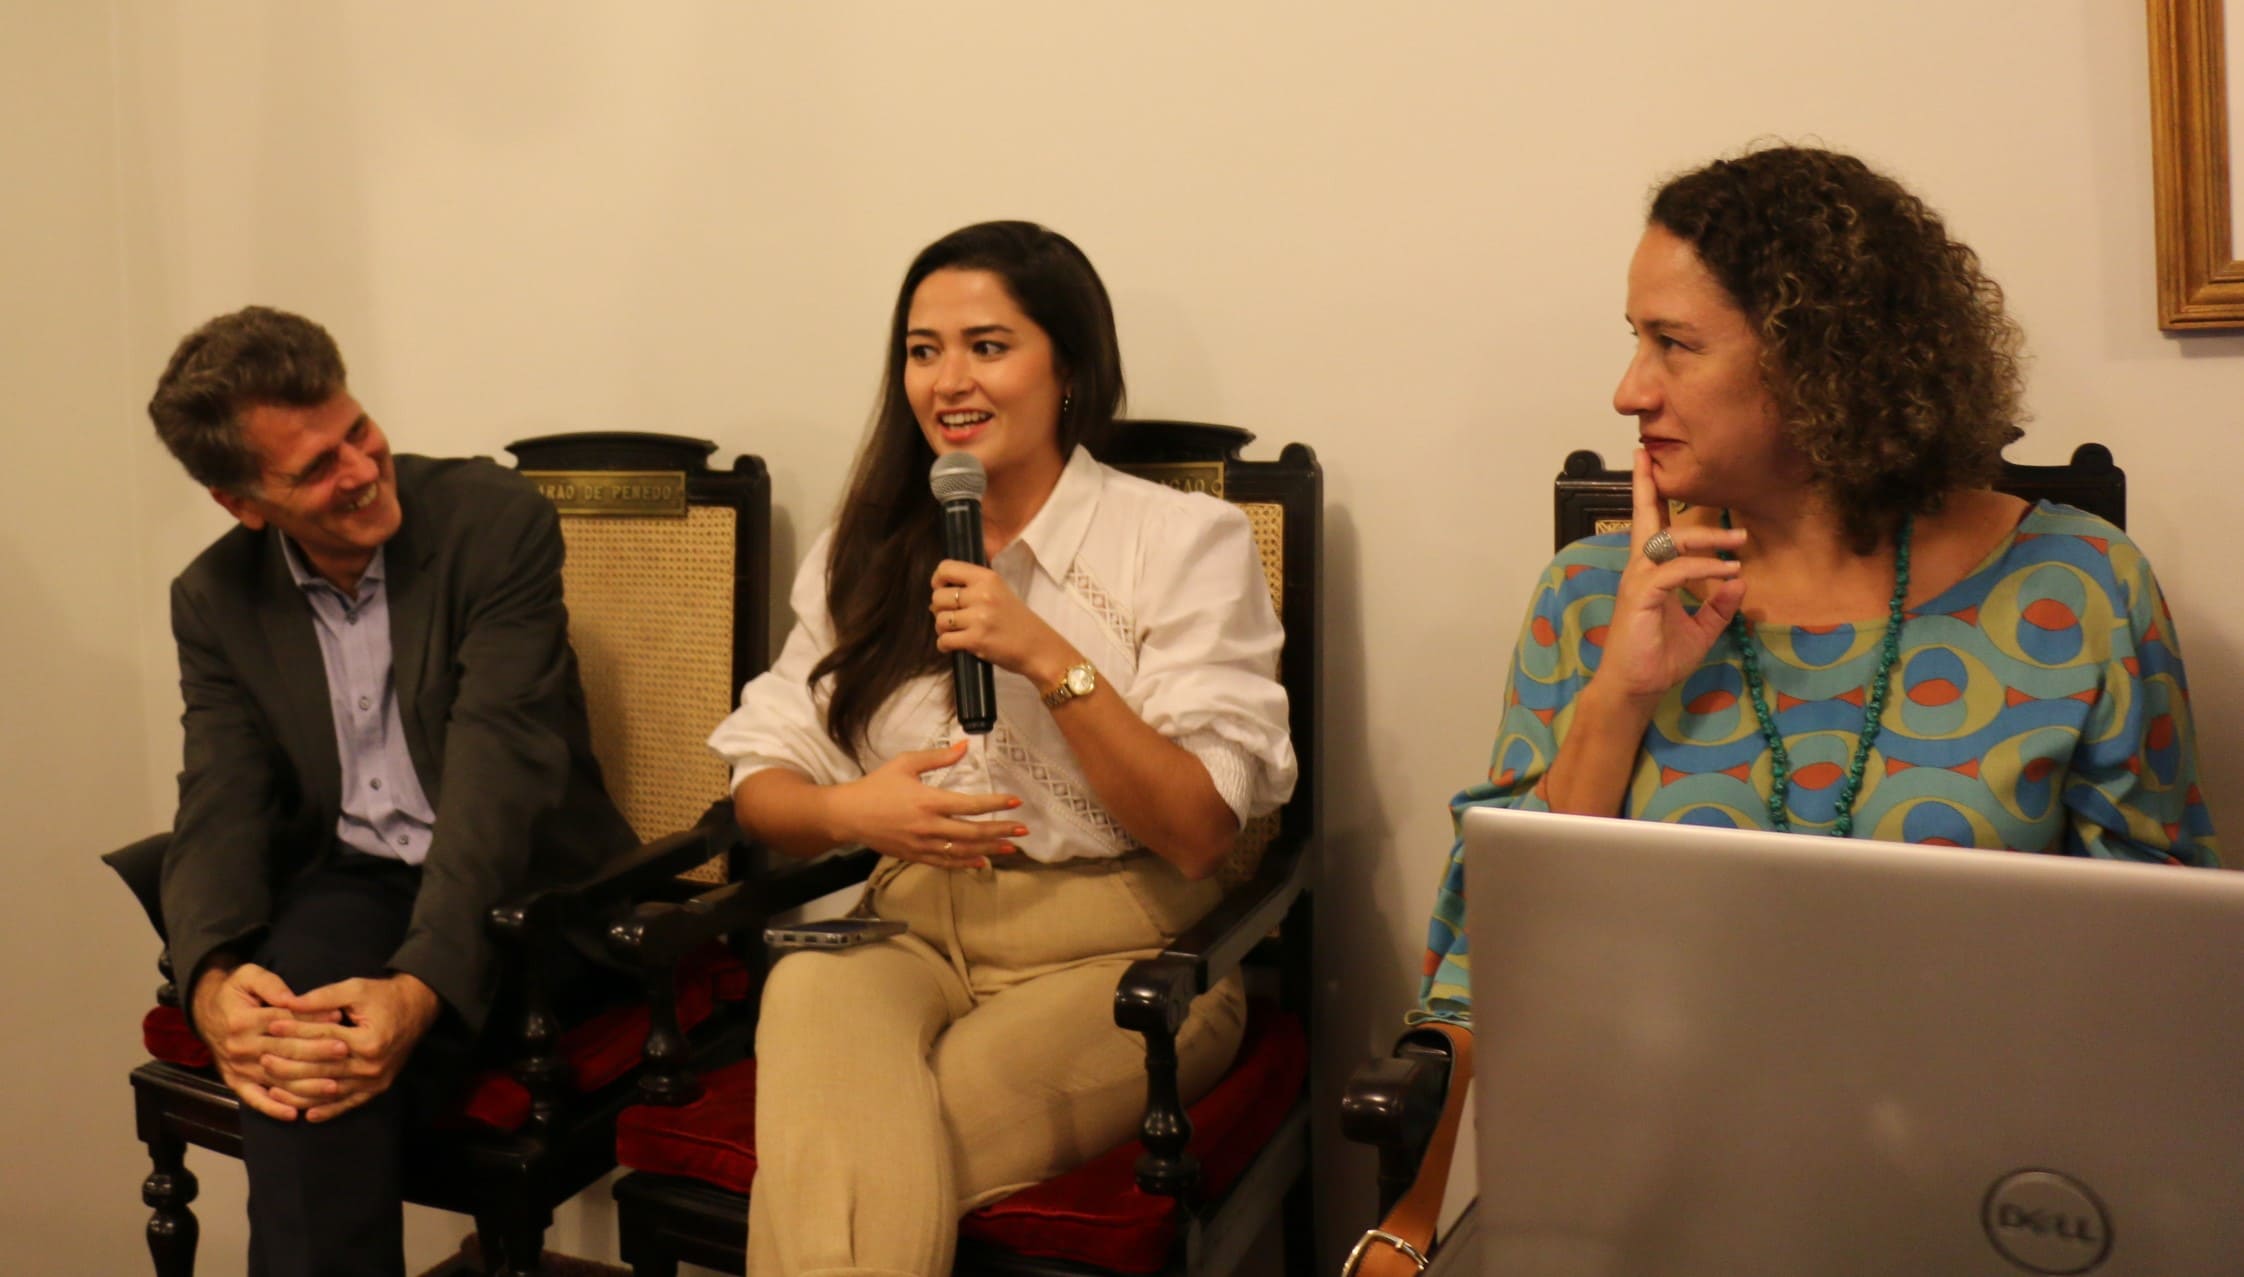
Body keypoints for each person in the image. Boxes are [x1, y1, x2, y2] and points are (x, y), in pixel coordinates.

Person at [1416, 146, 2219, 1026]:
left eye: (1674, 345)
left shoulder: (2079, 587)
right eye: (1634, 340)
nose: (1628, 392)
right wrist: (1621, 696)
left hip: (1980, 1102)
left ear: (1821, 361)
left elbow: (2161, 962)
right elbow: (1484, 965)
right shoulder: (1594, 594)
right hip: (1658, 1100)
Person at [707, 220, 1296, 1276]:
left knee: (855, 1162)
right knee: (806, 990)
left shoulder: (1181, 541)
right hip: (908, 919)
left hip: (1128, 948)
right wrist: (848, 812)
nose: (949, 381)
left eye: (988, 345)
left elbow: (1202, 829)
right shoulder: (864, 551)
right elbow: (762, 774)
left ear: (1068, 367)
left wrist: (1048, 656)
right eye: (922, 350)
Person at [127, 306, 635, 1276]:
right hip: (357, 883)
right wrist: (213, 982)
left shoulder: (494, 522)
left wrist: (418, 989)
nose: (361, 467)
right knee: (298, 1041)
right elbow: (219, 801)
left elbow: (499, 780)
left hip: (532, 895)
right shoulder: (214, 598)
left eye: (357, 429)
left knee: (318, 1065)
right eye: (316, 466)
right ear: (242, 502)